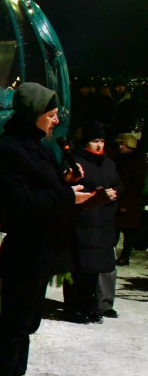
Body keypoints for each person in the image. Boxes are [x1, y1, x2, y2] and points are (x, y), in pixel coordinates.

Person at [0, 82, 103, 376]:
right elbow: (18, 202)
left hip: (43, 247)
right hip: (23, 248)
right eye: (50, 115)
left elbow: (41, 188)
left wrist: (64, 181)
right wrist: (67, 198)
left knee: (29, 319)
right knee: (15, 321)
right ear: (32, 115)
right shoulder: (9, 150)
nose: (54, 122)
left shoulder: (35, 145)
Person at [62, 121, 119, 323]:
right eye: (95, 141)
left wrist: (113, 194)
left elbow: (116, 184)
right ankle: (74, 307)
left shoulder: (108, 163)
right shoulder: (77, 162)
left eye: (102, 141)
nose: (99, 145)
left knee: (94, 269)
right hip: (83, 221)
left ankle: (90, 304)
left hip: (102, 222)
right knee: (79, 268)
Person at [114, 133, 146, 266]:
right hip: (122, 198)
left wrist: (127, 204)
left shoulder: (137, 163)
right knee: (117, 228)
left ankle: (124, 256)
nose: (120, 147)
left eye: (122, 144)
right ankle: (115, 254)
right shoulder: (122, 159)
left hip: (130, 201)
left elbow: (136, 186)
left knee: (129, 231)